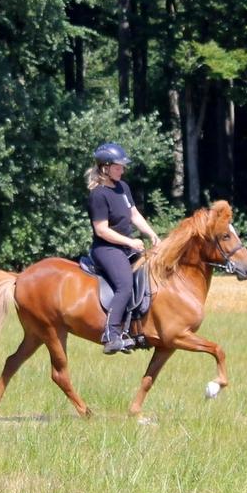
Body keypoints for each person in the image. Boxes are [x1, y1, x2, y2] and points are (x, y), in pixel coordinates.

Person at [86, 141, 161, 354]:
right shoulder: (98, 195)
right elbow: (101, 230)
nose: (122, 170)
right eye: (118, 166)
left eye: (122, 166)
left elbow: (134, 215)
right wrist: (130, 242)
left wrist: (152, 234)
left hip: (125, 247)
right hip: (106, 249)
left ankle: (134, 329)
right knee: (125, 284)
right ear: (105, 167)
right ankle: (111, 334)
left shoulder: (123, 187)